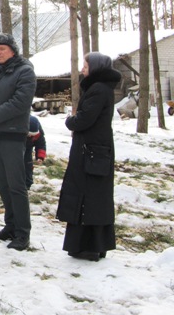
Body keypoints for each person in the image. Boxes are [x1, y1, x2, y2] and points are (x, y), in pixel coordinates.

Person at [57, 52, 120, 262]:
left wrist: (70, 121)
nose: (83, 69)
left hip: (91, 151)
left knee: (88, 197)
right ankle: (94, 246)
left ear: (96, 67)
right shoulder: (101, 88)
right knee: (94, 196)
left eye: (86, 66)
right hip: (95, 149)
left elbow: (85, 119)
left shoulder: (98, 89)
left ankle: (87, 247)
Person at [0, 33, 36, 250]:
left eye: (2, 48)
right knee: (2, 184)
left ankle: (22, 233)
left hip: (13, 135)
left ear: (13, 50)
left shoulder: (25, 72)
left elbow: (19, 103)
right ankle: (10, 226)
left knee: (16, 186)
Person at [25, 115, 47, 189]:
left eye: (32, 135)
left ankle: (28, 184)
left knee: (28, 165)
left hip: (28, 148)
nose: (30, 136)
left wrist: (40, 156)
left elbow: (41, 144)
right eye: (29, 135)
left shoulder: (39, 132)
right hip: (17, 148)